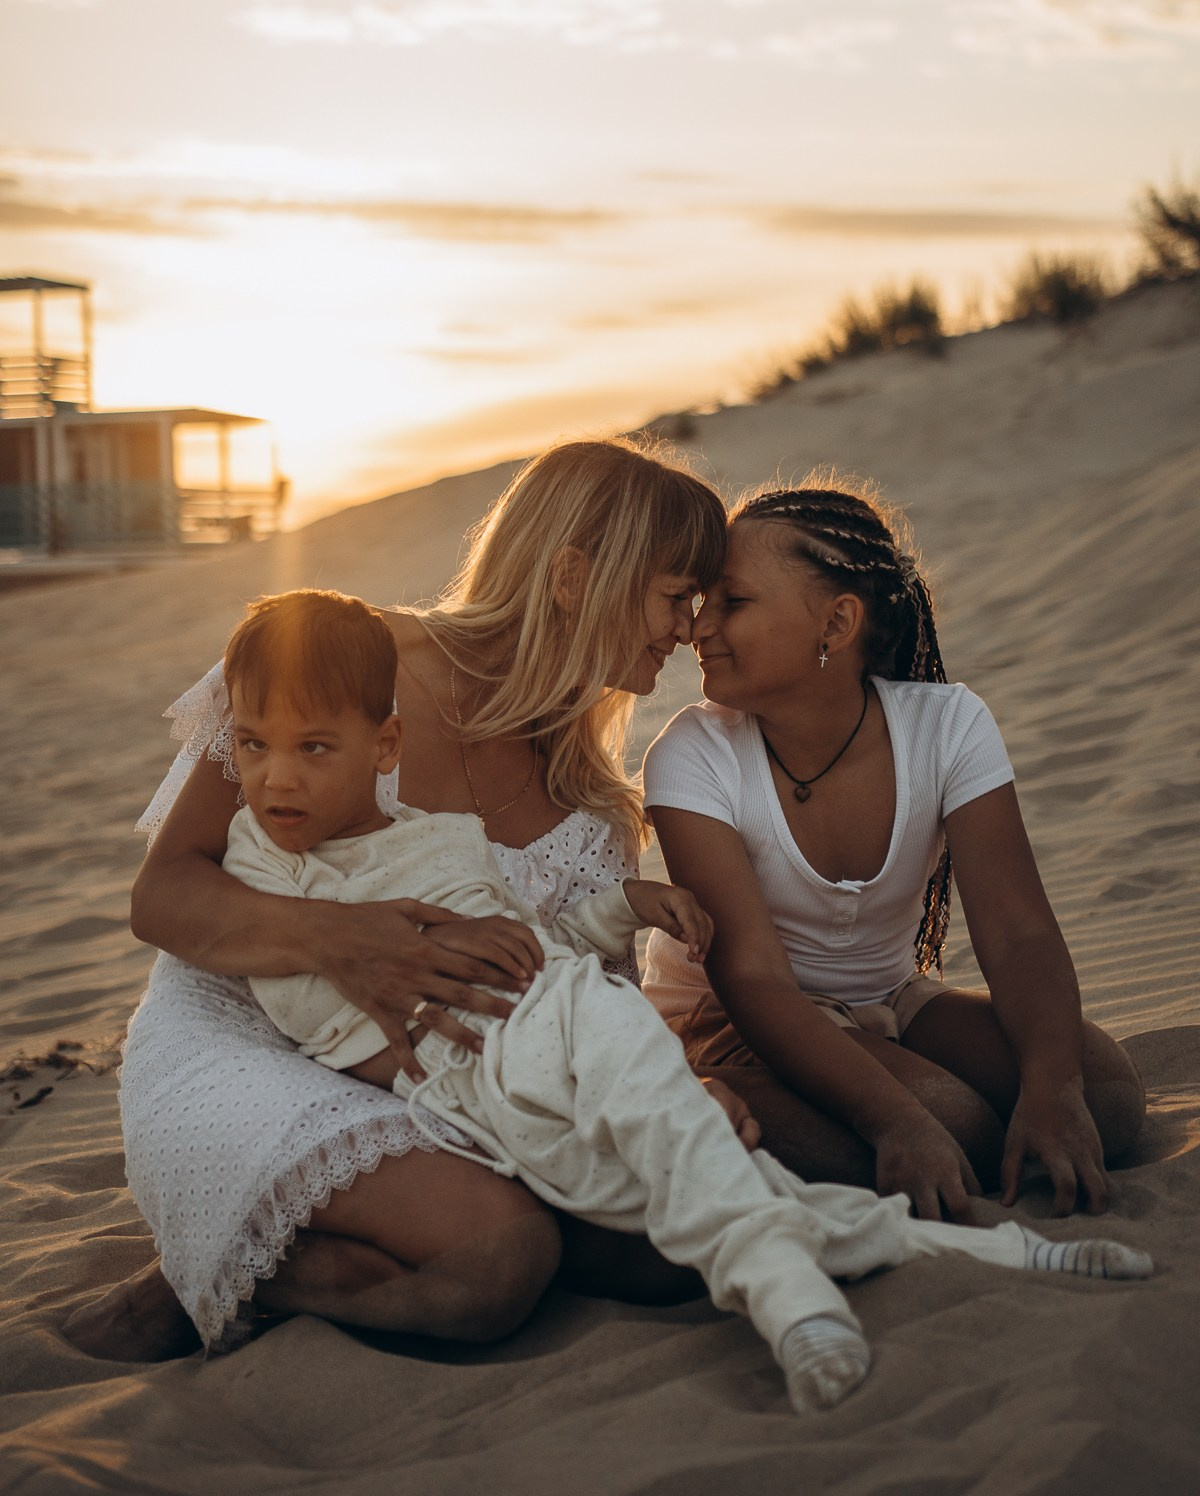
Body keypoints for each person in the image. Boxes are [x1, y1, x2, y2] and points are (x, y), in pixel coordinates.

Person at [229, 587, 1151, 1415]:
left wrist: (623, 907)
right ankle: (816, 1293)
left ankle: (979, 1263)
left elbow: (534, 941)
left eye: (314, 748)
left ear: (385, 746)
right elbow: (314, 1008)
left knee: (722, 1171)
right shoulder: (262, 866)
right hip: (489, 1072)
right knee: (690, 1174)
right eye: (251, 746)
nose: (278, 777)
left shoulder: (438, 839)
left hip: (576, 1016)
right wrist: (412, 998)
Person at [66, 438, 738, 1361]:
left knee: (666, 1247)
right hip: (249, 1031)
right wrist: (342, 940)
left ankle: (300, 1248)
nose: (690, 626)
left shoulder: (591, 809)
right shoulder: (337, 658)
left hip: (447, 1078)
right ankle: (215, 1266)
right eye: (676, 594)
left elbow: (567, 1002)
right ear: (578, 576)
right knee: (503, 1265)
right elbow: (165, 894)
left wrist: (676, 1090)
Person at [642, 480, 1147, 1224]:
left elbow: (1018, 935)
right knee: (951, 1126)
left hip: (889, 997)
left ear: (836, 622)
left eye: (733, 602)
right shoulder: (693, 753)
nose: (698, 628)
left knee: (1103, 1094)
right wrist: (896, 1121)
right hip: (737, 1021)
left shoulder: (947, 727)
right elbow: (755, 979)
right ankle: (719, 1103)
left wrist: (1052, 1092)